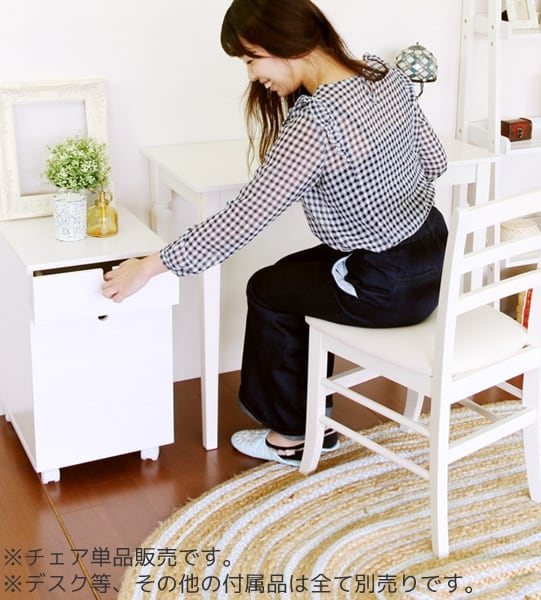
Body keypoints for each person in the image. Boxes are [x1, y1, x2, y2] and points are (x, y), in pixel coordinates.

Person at [102, 0, 449, 466]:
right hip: (433, 261)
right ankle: (310, 416)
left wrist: (149, 267)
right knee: (287, 276)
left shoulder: (316, 123)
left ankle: (293, 436)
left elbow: (240, 220)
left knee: (267, 291)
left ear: (288, 44)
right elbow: (435, 162)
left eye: (251, 59)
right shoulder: (383, 76)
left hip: (387, 288)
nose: (251, 75)